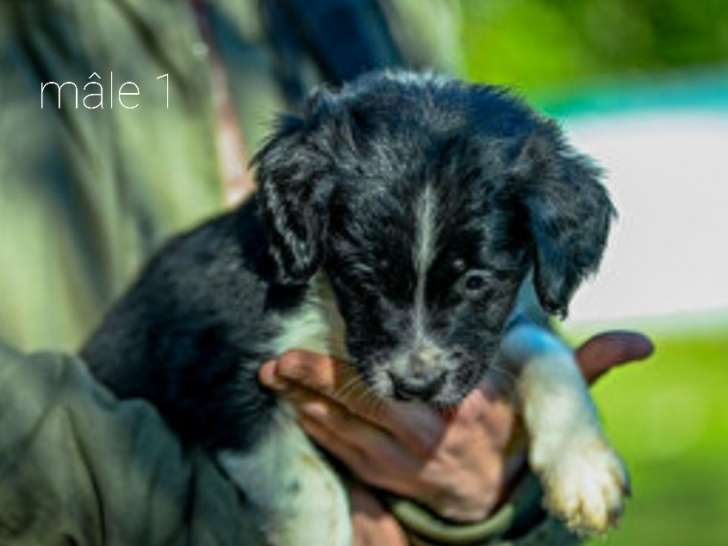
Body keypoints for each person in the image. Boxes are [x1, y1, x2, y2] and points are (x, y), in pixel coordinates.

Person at [0, 1, 653, 544]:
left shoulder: (379, 23)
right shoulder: (272, 281)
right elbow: (234, 401)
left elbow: (520, 340)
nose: (418, 359)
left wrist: (510, 488)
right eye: (370, 284)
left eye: (474, 286)